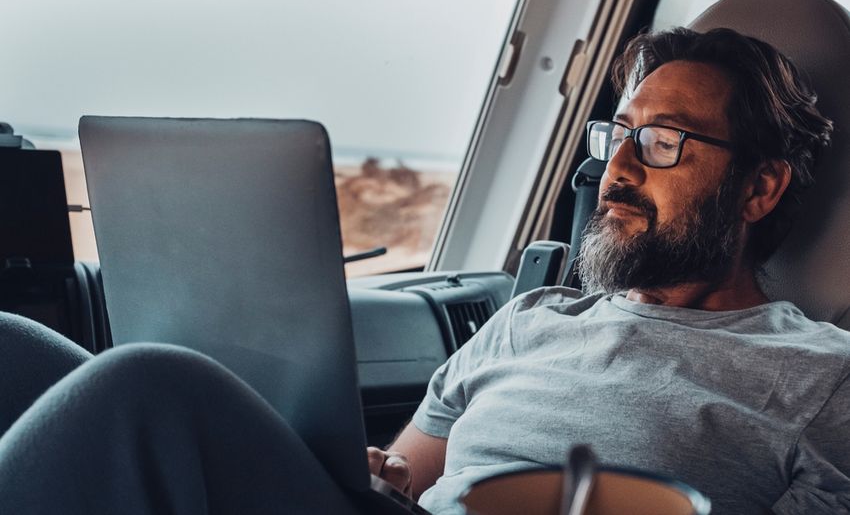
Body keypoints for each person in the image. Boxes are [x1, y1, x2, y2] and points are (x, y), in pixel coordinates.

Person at [0, 27, 848, 515]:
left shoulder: (820, 376)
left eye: (663, 141)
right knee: (13, 348)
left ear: (760, 187)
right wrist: (379, 469)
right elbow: (406, 474)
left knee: (149, 385)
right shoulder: (534, 318)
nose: (618, 167)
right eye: (616, 134)